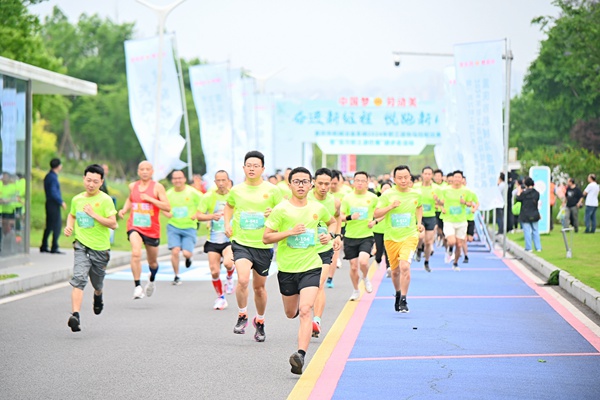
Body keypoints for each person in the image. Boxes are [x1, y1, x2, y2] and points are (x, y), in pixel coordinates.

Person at [263, 167, 337, 375]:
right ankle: (295, 311)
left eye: (305, 181)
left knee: (306, 310)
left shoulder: (317, 207)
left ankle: (300, 355)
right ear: (290, 185)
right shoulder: (281, 210)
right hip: (287, 269)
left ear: (311, 184)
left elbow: (331, 223)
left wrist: (328, 237)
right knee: (291, 313)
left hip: (311, 266)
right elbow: (266, 238)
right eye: (297, 181)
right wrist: (290, 232)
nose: (301, 185)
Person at [224, 151, 282, 342]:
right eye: (248, 165)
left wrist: (273, 212)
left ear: (263, 169)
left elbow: (284, 213)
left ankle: (261, 320)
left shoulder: (272, 190)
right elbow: (229, 206)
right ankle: (242, 315)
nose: (252, 168)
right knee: (242, 280)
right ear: (243, 168)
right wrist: (227, 223)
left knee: (259, 288)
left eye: (256, 165)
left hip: (263, 244)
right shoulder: (237, 190)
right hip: (241, 242)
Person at [63, 164, 118, 332]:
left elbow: (113, 224)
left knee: (97, 282)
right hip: (81, 246)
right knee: (79, 279)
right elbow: (72, 215)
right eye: (88, 180)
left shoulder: (105, 200)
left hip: (100, 250)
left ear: (101, 182)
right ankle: (75, 316)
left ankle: (98, 295)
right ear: (83, 179)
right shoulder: (77, 199)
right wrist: (69, 226)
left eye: (95, 181)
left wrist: (94, 214)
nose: (91, 184)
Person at [118, 161, 170, 299]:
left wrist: (151, 199)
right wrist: (124, 209)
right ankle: (137, 286)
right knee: (136, 253)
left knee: (152, 262)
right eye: (142, 169)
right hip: (135, 226)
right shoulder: (132, 186)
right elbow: (130, 199)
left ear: (152, 172)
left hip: (152, 230)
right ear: (138, 171)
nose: (145, 171)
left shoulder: (157, 187)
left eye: (148, 169)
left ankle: (152, 279)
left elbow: (167, 207)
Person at [374, 165, 423, 313]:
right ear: (394, 179)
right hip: (391, 238)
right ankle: (397, 293)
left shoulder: (416, 194)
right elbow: (376, 213)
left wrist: (419, 223)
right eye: (399, 178)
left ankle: (404, 299)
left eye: (406, 177)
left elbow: (419, 207)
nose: (403, 180)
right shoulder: (387, 195)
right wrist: (390, 207)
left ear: (410, 178)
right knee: (394, 271)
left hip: (410, 236)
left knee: (405, 267)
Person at [307, 168, 342, 338]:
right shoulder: (304, 198)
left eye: (327, 184)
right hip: (304, 249)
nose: (323, 187)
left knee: (319, 285)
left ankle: (317, 321)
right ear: (313, 182)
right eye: (320, 183)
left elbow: (337, 218)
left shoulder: (335, 201)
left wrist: (336, 236)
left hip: (324, 248)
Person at [197, 170, 236, 310]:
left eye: (223, 180)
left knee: (227, 263)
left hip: (229, 238)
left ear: (228, 181)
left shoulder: (234, 195)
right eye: (218, 181)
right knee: (214, 271)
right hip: (213, 239)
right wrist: (211, 217)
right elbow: (198, 215)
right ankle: (220, 297)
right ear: (214, 182)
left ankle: (230, 278)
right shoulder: (208, 197)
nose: (221, 183)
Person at [340, 171, 379, 301]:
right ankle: (356, 289)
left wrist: (375, 221)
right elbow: (341, 217)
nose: (360, 183)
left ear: (367, 182)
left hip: (366, 235)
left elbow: (382, 213)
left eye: (363, 180)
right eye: (358, 180)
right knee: (353, 266)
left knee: (363, 261)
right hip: (350, 236)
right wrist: (351, 217)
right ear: (353, 182)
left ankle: (366, 277)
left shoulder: (373, 198)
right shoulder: (347, 198)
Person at [162, 170, 203, 286]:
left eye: (180, 178)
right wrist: (167, 214)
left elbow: (204, 203)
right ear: (172, 180)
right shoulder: (168, 194)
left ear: (184, 179)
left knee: (186, 253)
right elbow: (162, 207)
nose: (177, 180)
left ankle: (189, 258)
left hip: (189, 227)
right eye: (175, 178)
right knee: (175, 251)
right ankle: (176, 276)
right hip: (173, 226)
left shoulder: (192, 192)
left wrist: (197, 214)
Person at [436, 170, 472, 271]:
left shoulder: (466, 191)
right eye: (455, 177)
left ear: (462, 179)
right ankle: (450, 249)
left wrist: (464, 202)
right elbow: (441, 202)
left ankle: (455, 263)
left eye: (459, 177)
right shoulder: (446, 190)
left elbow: (471, 203)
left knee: (459, 244)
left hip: (461, 220)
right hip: (449, 220)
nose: (457, 179)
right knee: (452, 241)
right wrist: (439, 203)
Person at [40, 158, 67, 254]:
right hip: (53, 204)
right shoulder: (52, 177)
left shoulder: (49, 176)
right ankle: (54, 246)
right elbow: (53, 191)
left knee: (49, 225)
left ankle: (44, 245)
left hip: (49, 203)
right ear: (58, 166)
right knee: (57, 225)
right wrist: (61, 202)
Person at [515, 177, 542, 252]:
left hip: (525, 214)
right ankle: (538, 247)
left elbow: (518, 199)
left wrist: (519, 191)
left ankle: (529, 247)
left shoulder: (524, 193)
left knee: (527, 231)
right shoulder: (537, 193)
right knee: (535, 231)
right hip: (535, 213)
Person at [373, 181, 392, 273]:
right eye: (385, 188)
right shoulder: (376, 200)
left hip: (389, 229)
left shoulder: (394, 202)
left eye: (389, 188)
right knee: (379, 250)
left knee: (388, 249)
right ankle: (378, 260)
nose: (386, 190)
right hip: (377, 229)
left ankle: (389, 267)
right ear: (380, 190)